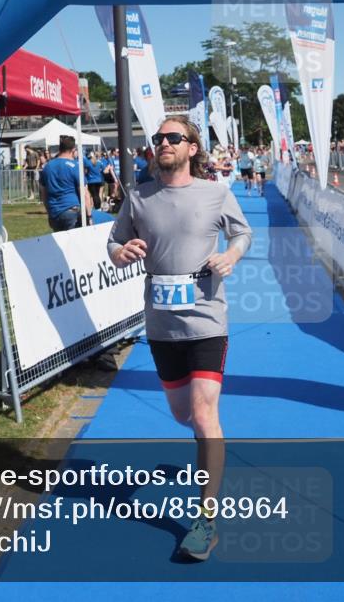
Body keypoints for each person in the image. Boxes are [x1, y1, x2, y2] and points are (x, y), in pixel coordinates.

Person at [108, 115, 252, 561]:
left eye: (174, 137)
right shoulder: (139, 196)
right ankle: (208, 446)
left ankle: (205, 519)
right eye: (159, 138)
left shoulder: (215, 192)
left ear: (192, 147)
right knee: (181, 414)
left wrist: (231, 255)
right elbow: (114, 243)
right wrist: (121, 252)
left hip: (207, 320)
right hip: (162, 325)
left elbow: (242, 232)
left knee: (205, 415)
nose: (164, 143)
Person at [39, 135, 91, 231]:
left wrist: (49, 211)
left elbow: (43, 192)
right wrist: (89, 216)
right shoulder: (75, 166)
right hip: (71, 211)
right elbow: (85, 194)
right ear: (73, 150)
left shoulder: (47, 166)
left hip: (54, 212)